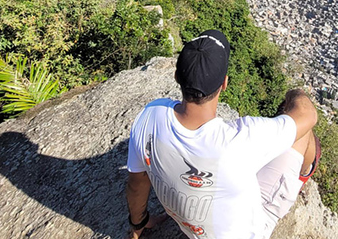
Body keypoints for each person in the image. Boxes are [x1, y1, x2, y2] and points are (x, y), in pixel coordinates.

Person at [125, 30, 320, 239]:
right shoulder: (242, 139)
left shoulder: (150, 115)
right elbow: (308, 114)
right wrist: (294, 93)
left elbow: (137, 183)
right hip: (251, 229)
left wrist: (139, 222)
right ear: (224, 83)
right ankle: (301, 177)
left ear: (176, 77)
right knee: (306, 135)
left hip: (191, 230)